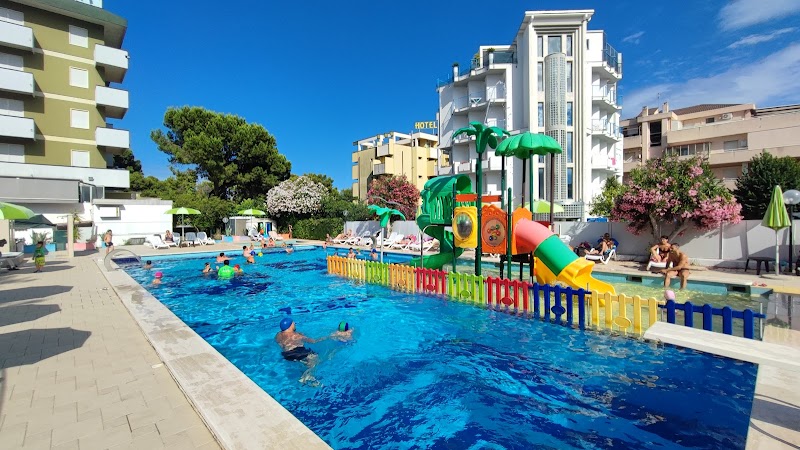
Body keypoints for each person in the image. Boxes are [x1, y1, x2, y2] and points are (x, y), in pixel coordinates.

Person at [275, 317, 325, 385]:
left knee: (304, 361)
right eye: (293, 323)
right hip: (298, 351)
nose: (294, 324)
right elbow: (313, 341)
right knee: (315, 359)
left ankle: (305, 376)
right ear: (290, 325)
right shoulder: (296, 335)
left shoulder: (278, 335)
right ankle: (308, 376)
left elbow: (281, 344)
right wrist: (326, 337)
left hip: (286, 354)